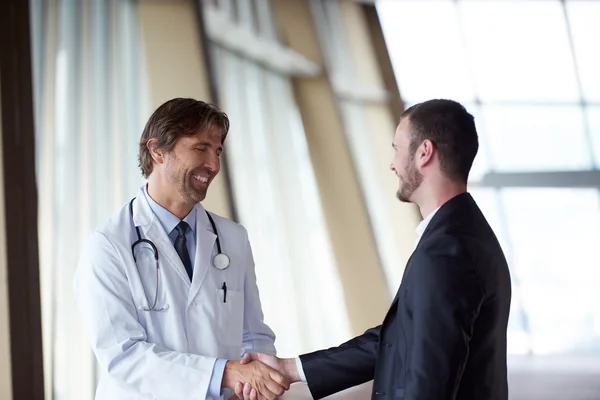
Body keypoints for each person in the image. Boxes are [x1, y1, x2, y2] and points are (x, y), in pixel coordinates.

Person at [234, 99, 512, 400]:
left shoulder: (445, 251)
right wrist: (291, 368)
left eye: (397, 148)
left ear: (424, 153)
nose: (392, 163)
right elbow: (398, 340)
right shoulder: (463, 232)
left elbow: (429, 382)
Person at [74, 98, 289, 400]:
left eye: (217, 151)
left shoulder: (232, 237)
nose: (213, 165)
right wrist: (225, 373)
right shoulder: (108, 244)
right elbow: (123, 356)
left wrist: (252, 387)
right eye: (201, 148)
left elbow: (253, 334)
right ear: (157, 150)